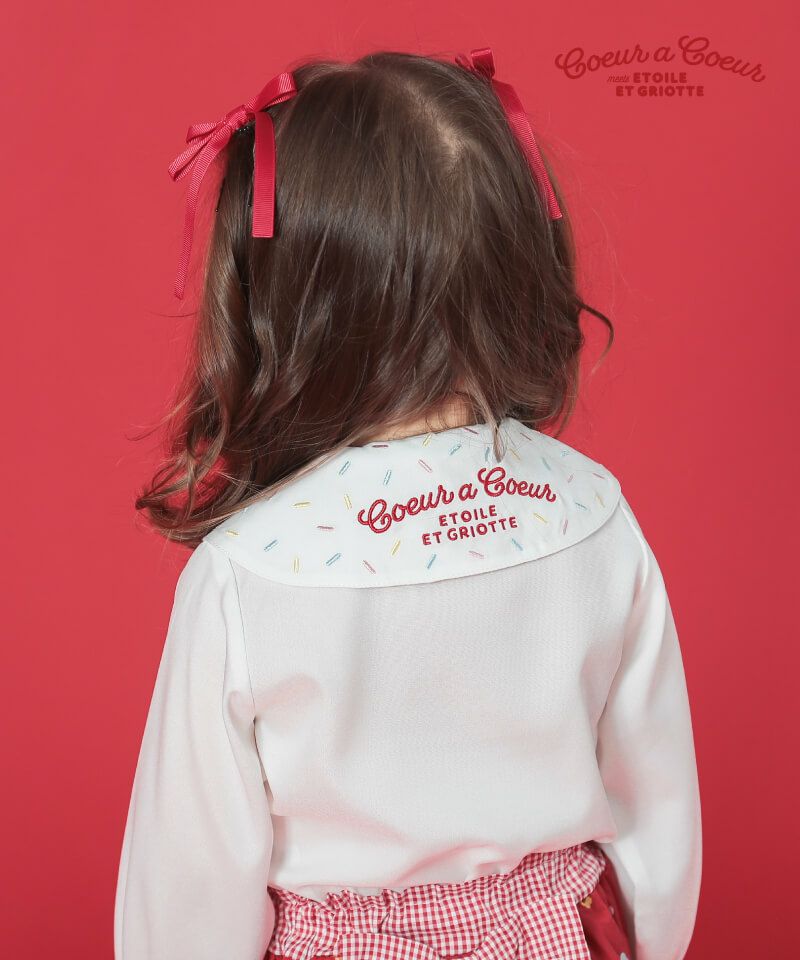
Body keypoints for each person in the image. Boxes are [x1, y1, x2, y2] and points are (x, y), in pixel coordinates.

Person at [113, 47, 702, 960]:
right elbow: (657, 805)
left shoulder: (251, 571)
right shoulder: (591, 514)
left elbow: (189, 883)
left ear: (290, 297)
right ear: (522, 260)